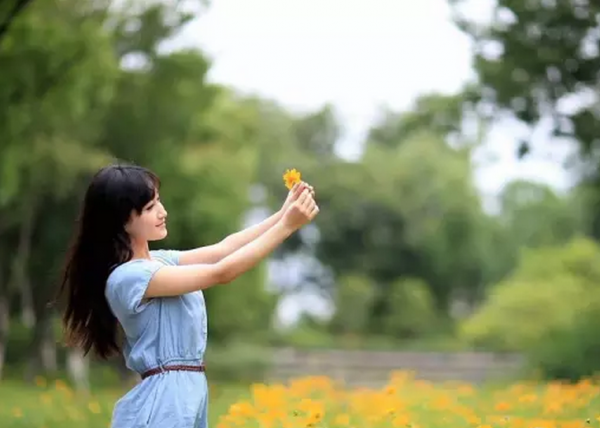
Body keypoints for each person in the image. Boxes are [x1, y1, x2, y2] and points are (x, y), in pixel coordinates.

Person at [56, 163, 319, 428]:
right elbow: (221, 273)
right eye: (150, 208)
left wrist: (284, 213)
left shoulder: (160, 261)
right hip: (164, 402)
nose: (162, 212)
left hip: (187, 394)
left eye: (158, 201)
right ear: (123, 221)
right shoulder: (129, 277)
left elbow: (223, 250)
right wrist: (286, 226)